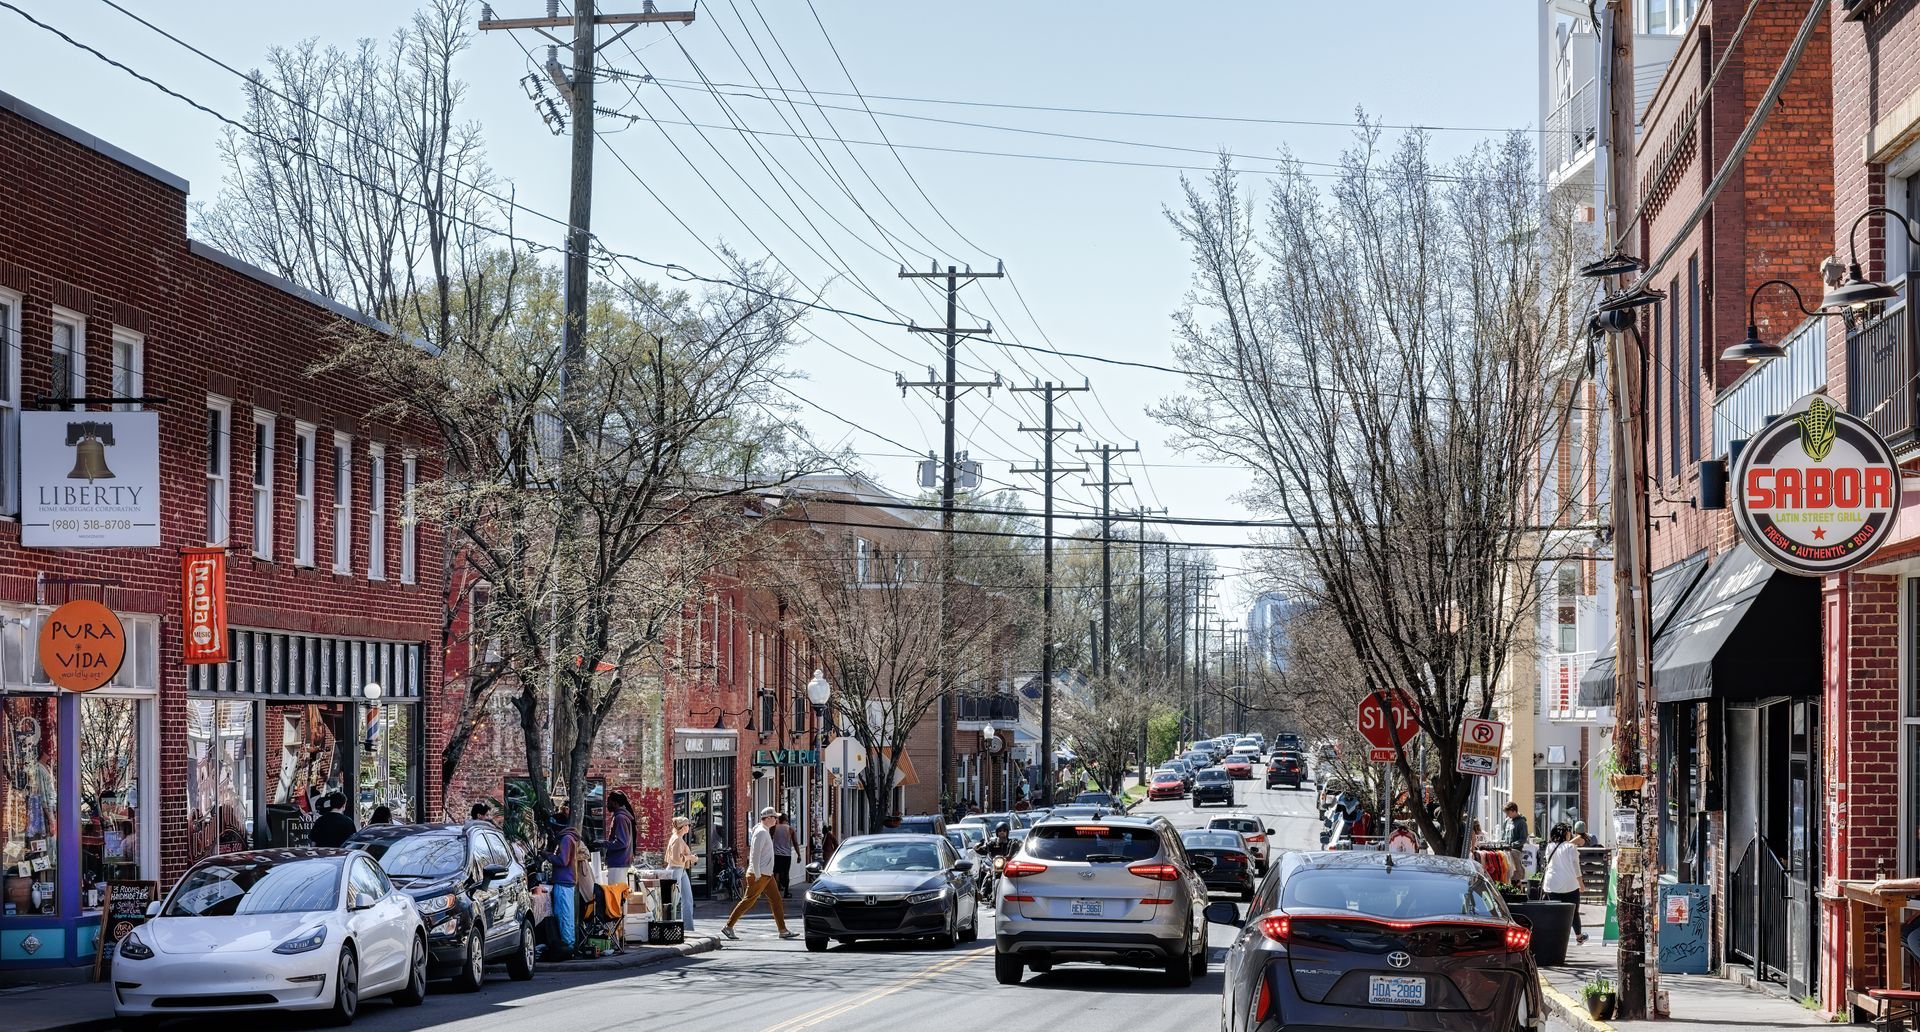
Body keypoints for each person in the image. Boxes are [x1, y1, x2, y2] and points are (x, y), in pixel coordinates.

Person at [721, 807, 797, 941]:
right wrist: (756, 874)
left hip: (767, 874)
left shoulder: (764, 830)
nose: (776, 819)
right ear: (767, 818)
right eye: (774, 817)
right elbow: (755, 855)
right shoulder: (761, 832)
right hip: (760, 874)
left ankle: (783, 930)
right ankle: (728, 927)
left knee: (776, 900)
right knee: (748, 901)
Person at [543, 811, 583, 956]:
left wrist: (548, 855)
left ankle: (567, 946)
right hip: (567, 881)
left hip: (563, 880)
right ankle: (568, 944)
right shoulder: (570, 838)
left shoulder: (566, 839)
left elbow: (563, 861)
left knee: (564, 915)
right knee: (566, 914)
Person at [1540, 823, 1587, 943]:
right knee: (1573, 912)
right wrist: (1581, 883)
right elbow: (1576, 867)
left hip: (1552, 884)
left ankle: (1555, 937)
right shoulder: (1571, 847)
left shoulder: (1549, 846)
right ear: (1567, 833)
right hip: (1569, 884)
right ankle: (1579, 936)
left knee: (1555, 913)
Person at [665, 815, 698, 934]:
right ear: (683, 827)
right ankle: (670, 927)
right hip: (676, 869)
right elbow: (675, 859)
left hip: (681, 870)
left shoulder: (678, 838)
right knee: (675, 899)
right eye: (688, 825)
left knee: (687, 899)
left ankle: (688, 928)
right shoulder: (677, 839)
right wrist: (691, 857)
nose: (689, 827)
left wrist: (689, 858)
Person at [604, 792, 634, 890]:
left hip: (618, 862)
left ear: (615, 803)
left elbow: (622, 842)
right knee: (618, 895)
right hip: (620, 862)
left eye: (609, 802)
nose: (607, 804)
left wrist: (603, 843)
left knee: (615, 895)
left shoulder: (620, 818)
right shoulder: (621, 817)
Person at [769, 812, 796, 899]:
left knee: (775, 872)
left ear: (779, 820)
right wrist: (799, 854)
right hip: (786, 855)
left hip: (776, 854)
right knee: (786, 872)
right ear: (786, 820)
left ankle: (775, 892)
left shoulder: (773, 828)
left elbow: (769, 840)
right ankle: (786, 892)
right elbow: (795, 843)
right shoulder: (790, 829)